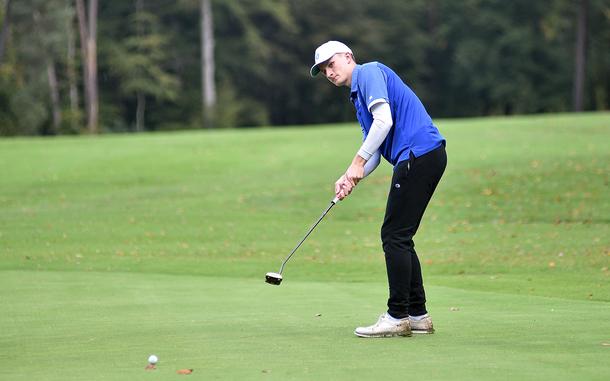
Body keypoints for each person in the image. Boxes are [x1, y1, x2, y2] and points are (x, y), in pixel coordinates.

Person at [310, 41, 447, 338]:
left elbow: (384, 122)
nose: (328, 73)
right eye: (323, 71)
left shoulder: (369, 72)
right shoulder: (357, 97)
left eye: (331, 65)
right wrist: (350, 176)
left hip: (417, 154)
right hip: (423, 155)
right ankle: (418, 314)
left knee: (394, 236)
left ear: (348, 57)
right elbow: (373, 151)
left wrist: (356, 162)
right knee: (400, 236)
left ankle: (398, 315)